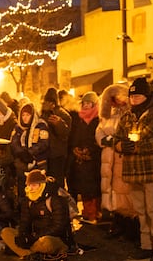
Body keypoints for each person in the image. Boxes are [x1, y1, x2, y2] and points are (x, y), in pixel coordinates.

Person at [113, 77, 153, 261]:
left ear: (147, 96)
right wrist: (120, 145)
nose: (134, 100)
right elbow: (117, 138)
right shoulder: (127, 116)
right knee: (140, 210)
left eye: (138, 96)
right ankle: (146, 245)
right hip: (133, 171)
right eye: (132, 96)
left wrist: (140, 147)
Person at [96, 83, 139, 241]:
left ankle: (129, 225)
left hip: (122, 157)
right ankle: (116, 222)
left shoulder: (129, 114)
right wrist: (107, 140)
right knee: (112, 190)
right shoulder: (107, 116)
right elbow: (99, 132)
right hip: (109, 158)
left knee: (124, 192)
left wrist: (117, 141)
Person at [1, 169, 73, 261]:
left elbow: (59, 227)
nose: (30, 188)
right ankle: (29, 255)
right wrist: (23, 235)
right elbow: (24, 221)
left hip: (53, 238)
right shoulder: (28, 200)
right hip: (34, 238)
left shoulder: (56, 200)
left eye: (34, 185)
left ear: (42, 185)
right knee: (6, 232)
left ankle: (23, 251)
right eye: (29, 185)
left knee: (46, 243)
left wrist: (34, 237)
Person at [67, 91, 102, 223]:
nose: (86, 106)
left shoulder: (98, 119)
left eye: (89, 103)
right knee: (84, 187)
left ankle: (94, 213)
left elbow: (98, 138)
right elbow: (75, 137)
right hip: (80, 160)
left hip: (93, 160)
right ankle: (87, 212)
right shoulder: (79, 119)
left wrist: (90, 151)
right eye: (84, 103)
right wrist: (76, 149)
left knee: (93, 187)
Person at [10, 100, 50, 197]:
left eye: (27, 115)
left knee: (37, 188)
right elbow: (14, 142)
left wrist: (30, 153)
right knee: (22, 189)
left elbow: (43, 143)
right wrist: (21, 153)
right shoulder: (18, 128)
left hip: (38, 163)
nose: (25, 118)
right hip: (22, 163)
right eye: (23, 115)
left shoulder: (41, 125)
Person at [40, 88, 72, 186]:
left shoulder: (63, 114)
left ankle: (59, 200)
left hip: (57, 154)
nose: (48, 104)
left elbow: (65, 134)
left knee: (57, 182)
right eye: (46, 101)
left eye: (50, 101)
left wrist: (59, 124)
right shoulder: (42, 114)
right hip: (44, 153)